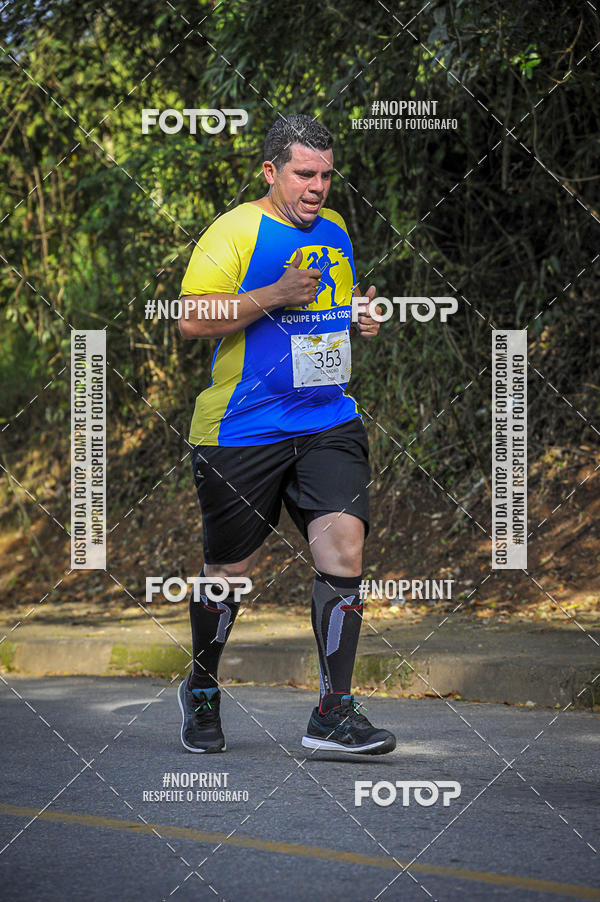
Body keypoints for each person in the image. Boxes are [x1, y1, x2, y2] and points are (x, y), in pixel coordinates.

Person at [177, 113, 395, 756]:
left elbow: (324, 315)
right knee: (229, 571)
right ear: (271, 171)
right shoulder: (236, 230)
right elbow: (192, 318)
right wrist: (273, 292)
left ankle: (333, 712)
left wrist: (358, 319)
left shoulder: (336, 231)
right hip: (242, 429)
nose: (317, 187)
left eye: (326, 175)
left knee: (344, 553)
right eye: (304, 174)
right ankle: (203, 687)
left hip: (326, 420)